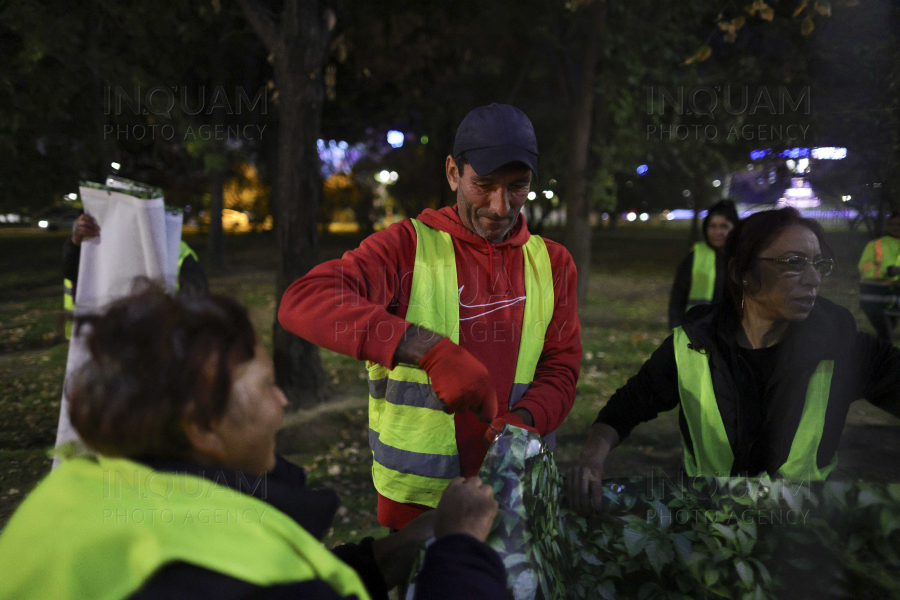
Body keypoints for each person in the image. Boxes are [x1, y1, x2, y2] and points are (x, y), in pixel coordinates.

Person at [0, 286, 508, 600]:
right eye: (267, 386)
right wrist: (460, 548)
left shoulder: (68, 499)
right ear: (200, 426)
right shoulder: (236, 578)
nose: (284, 401)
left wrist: (388, 555)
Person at [279, 103, 581, 530]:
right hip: (421, 506)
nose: (499, 206)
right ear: (454, 173)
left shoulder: (553, 263)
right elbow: (303, 299)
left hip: (521, 491)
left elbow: (561, 369)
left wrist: (525, 423)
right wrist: (427, 350)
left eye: (517, 187)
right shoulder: (405, 248)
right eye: (484, 184)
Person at [566, 207, 900, 514]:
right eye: (795, 263)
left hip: (804, 543)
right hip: (710, 538)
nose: (814, 279)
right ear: (742, 273)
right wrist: (592, 457)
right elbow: (627, 406)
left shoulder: (842, 344)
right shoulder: (692, 344)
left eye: (819, 264)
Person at [63, 213, 207, 337]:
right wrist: (75, 243)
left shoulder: (179, 253)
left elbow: (198, 305)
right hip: (112, 340)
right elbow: (73, 273)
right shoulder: (104, 246)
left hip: (163, 344)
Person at [668, 200, 740, 329]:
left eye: (724, 226)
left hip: (735, 332)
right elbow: (677, 299)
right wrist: (676, 329)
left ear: (735, 227)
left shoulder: (744, 258)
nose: (717, 232)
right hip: (698, 333)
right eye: (712, 226)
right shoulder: (695, 257)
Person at [858, 213, 900, 342]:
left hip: (894, 301)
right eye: (892, 224)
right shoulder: (876, 244)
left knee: (885, 337)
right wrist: (889, 271)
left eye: (898, 224)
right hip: (874, 299)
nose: (895, 227)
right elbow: (864, 267)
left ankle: (874, 358)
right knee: (887, 336)